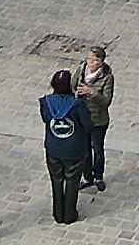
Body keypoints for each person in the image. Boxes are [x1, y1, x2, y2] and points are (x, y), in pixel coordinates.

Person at [40, 70, 93, 225]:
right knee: (72, 182)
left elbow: (45, 119)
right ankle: (69, 214)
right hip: (74, 149)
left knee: (56, 181)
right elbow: (88, 125)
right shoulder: (77, 104)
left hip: (54, 148)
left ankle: (58, 213)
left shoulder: (46, 102)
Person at [75, 47, 115, 190]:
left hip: (98, 120)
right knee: (84, 150)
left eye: (96, 60)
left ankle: (98, 176)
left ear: (101, 62)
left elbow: (106, 101)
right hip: (82, 118)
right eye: (90, 59)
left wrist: (92, 93)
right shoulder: (81, 71)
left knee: (97, 149)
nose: (91, 63)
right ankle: (87, 177)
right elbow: (72, 87)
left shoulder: (107, 77)